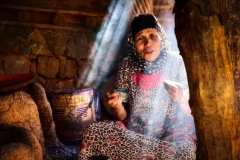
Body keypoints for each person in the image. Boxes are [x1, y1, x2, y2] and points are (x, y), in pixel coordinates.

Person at [79, 14, 197, 160]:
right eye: (140, 38)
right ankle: (156, 154)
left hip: (172, 129)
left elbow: (190, 112)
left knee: (183, 150)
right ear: (134, 44)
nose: (148, 43)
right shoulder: (127, 65)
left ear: (161, 37)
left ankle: (146, 153)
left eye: (153, 36)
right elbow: (122, 117)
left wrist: (182, 98)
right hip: (137, 130)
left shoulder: (176, 61)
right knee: (93, 131)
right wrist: (117, 106)